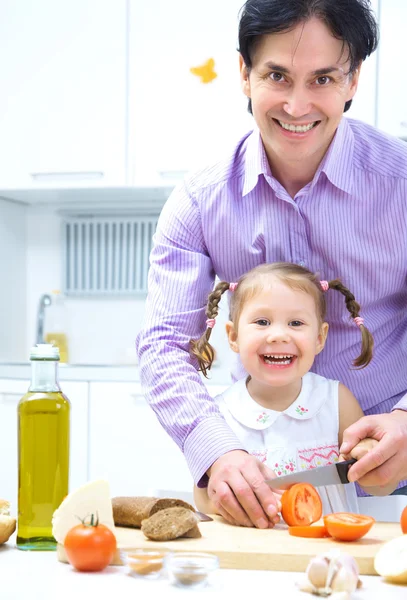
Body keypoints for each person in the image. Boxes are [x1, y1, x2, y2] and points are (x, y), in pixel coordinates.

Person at [136, 0, 407, 529]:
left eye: (323, 77)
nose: (297, 105)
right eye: (277, 75)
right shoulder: (199, 201)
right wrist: (217, 452)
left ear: (353, 80)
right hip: (258, 483)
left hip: (394, 475)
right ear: (244, 73)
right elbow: (164, 344)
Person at [191, 263, 396, 519]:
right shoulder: (219, 413)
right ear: (233, 336)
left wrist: (368, 456)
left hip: (333, 546)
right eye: (262, 321)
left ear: (320, 338)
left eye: (296, 322)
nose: (278, 335)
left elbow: (378, 482)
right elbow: (202, 499)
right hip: (258, 551)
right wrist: (225, 498)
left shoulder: (335, 399)